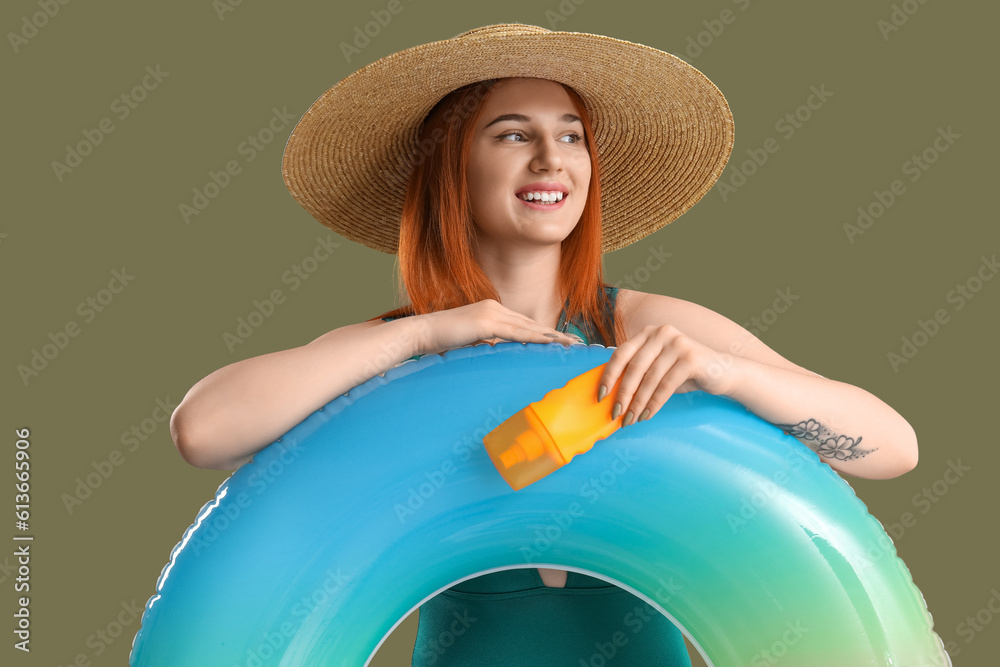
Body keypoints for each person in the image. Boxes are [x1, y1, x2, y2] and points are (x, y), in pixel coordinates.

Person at [170, 23, 919, 666]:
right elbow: (204, 431)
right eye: (512, 134)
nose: (551, 159)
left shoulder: (644, 328)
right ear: (452, 167)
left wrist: (726, 373)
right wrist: (428, 332)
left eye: (570, 135)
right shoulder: (397, 350)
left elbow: (894, 447)